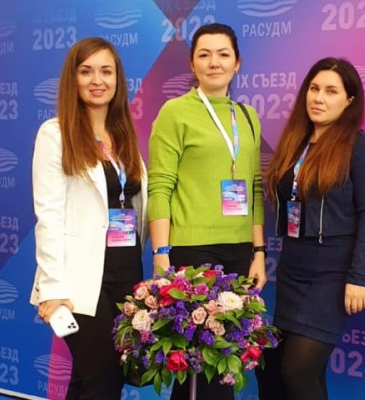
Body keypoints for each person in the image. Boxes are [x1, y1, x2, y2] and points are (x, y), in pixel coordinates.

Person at [147, 23, 267, 400]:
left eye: (223, 54)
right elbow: (160, 186)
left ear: (237, 63)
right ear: (192, 64)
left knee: (226, 365)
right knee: (195, 370)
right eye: (204, 54)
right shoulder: (175, 112)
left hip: (238, 252)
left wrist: (259, 252)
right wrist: (161, 255)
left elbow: (255, 188)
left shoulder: (247, 116)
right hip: (191, 254)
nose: (214, 62)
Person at [258, 57, 365, 400]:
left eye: (331, 91)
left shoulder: (359, 146)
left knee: (297, 371)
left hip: (332, 274)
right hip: (293, 269)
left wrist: (358, 277)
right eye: (314, 89)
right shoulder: (295, 143)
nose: (319, 98)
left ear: (349, 101)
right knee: (273, 370)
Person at [29, 37, 147, 400]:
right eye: (86, 71)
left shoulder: (123, 136)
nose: (97, 80)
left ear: (117, 79)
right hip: (81, 281)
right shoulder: (55, 134)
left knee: (89, 380)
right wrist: (53, 289)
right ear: (73, 78)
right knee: (103, 378)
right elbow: (48, 215)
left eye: (106, 71)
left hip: (126, 272)